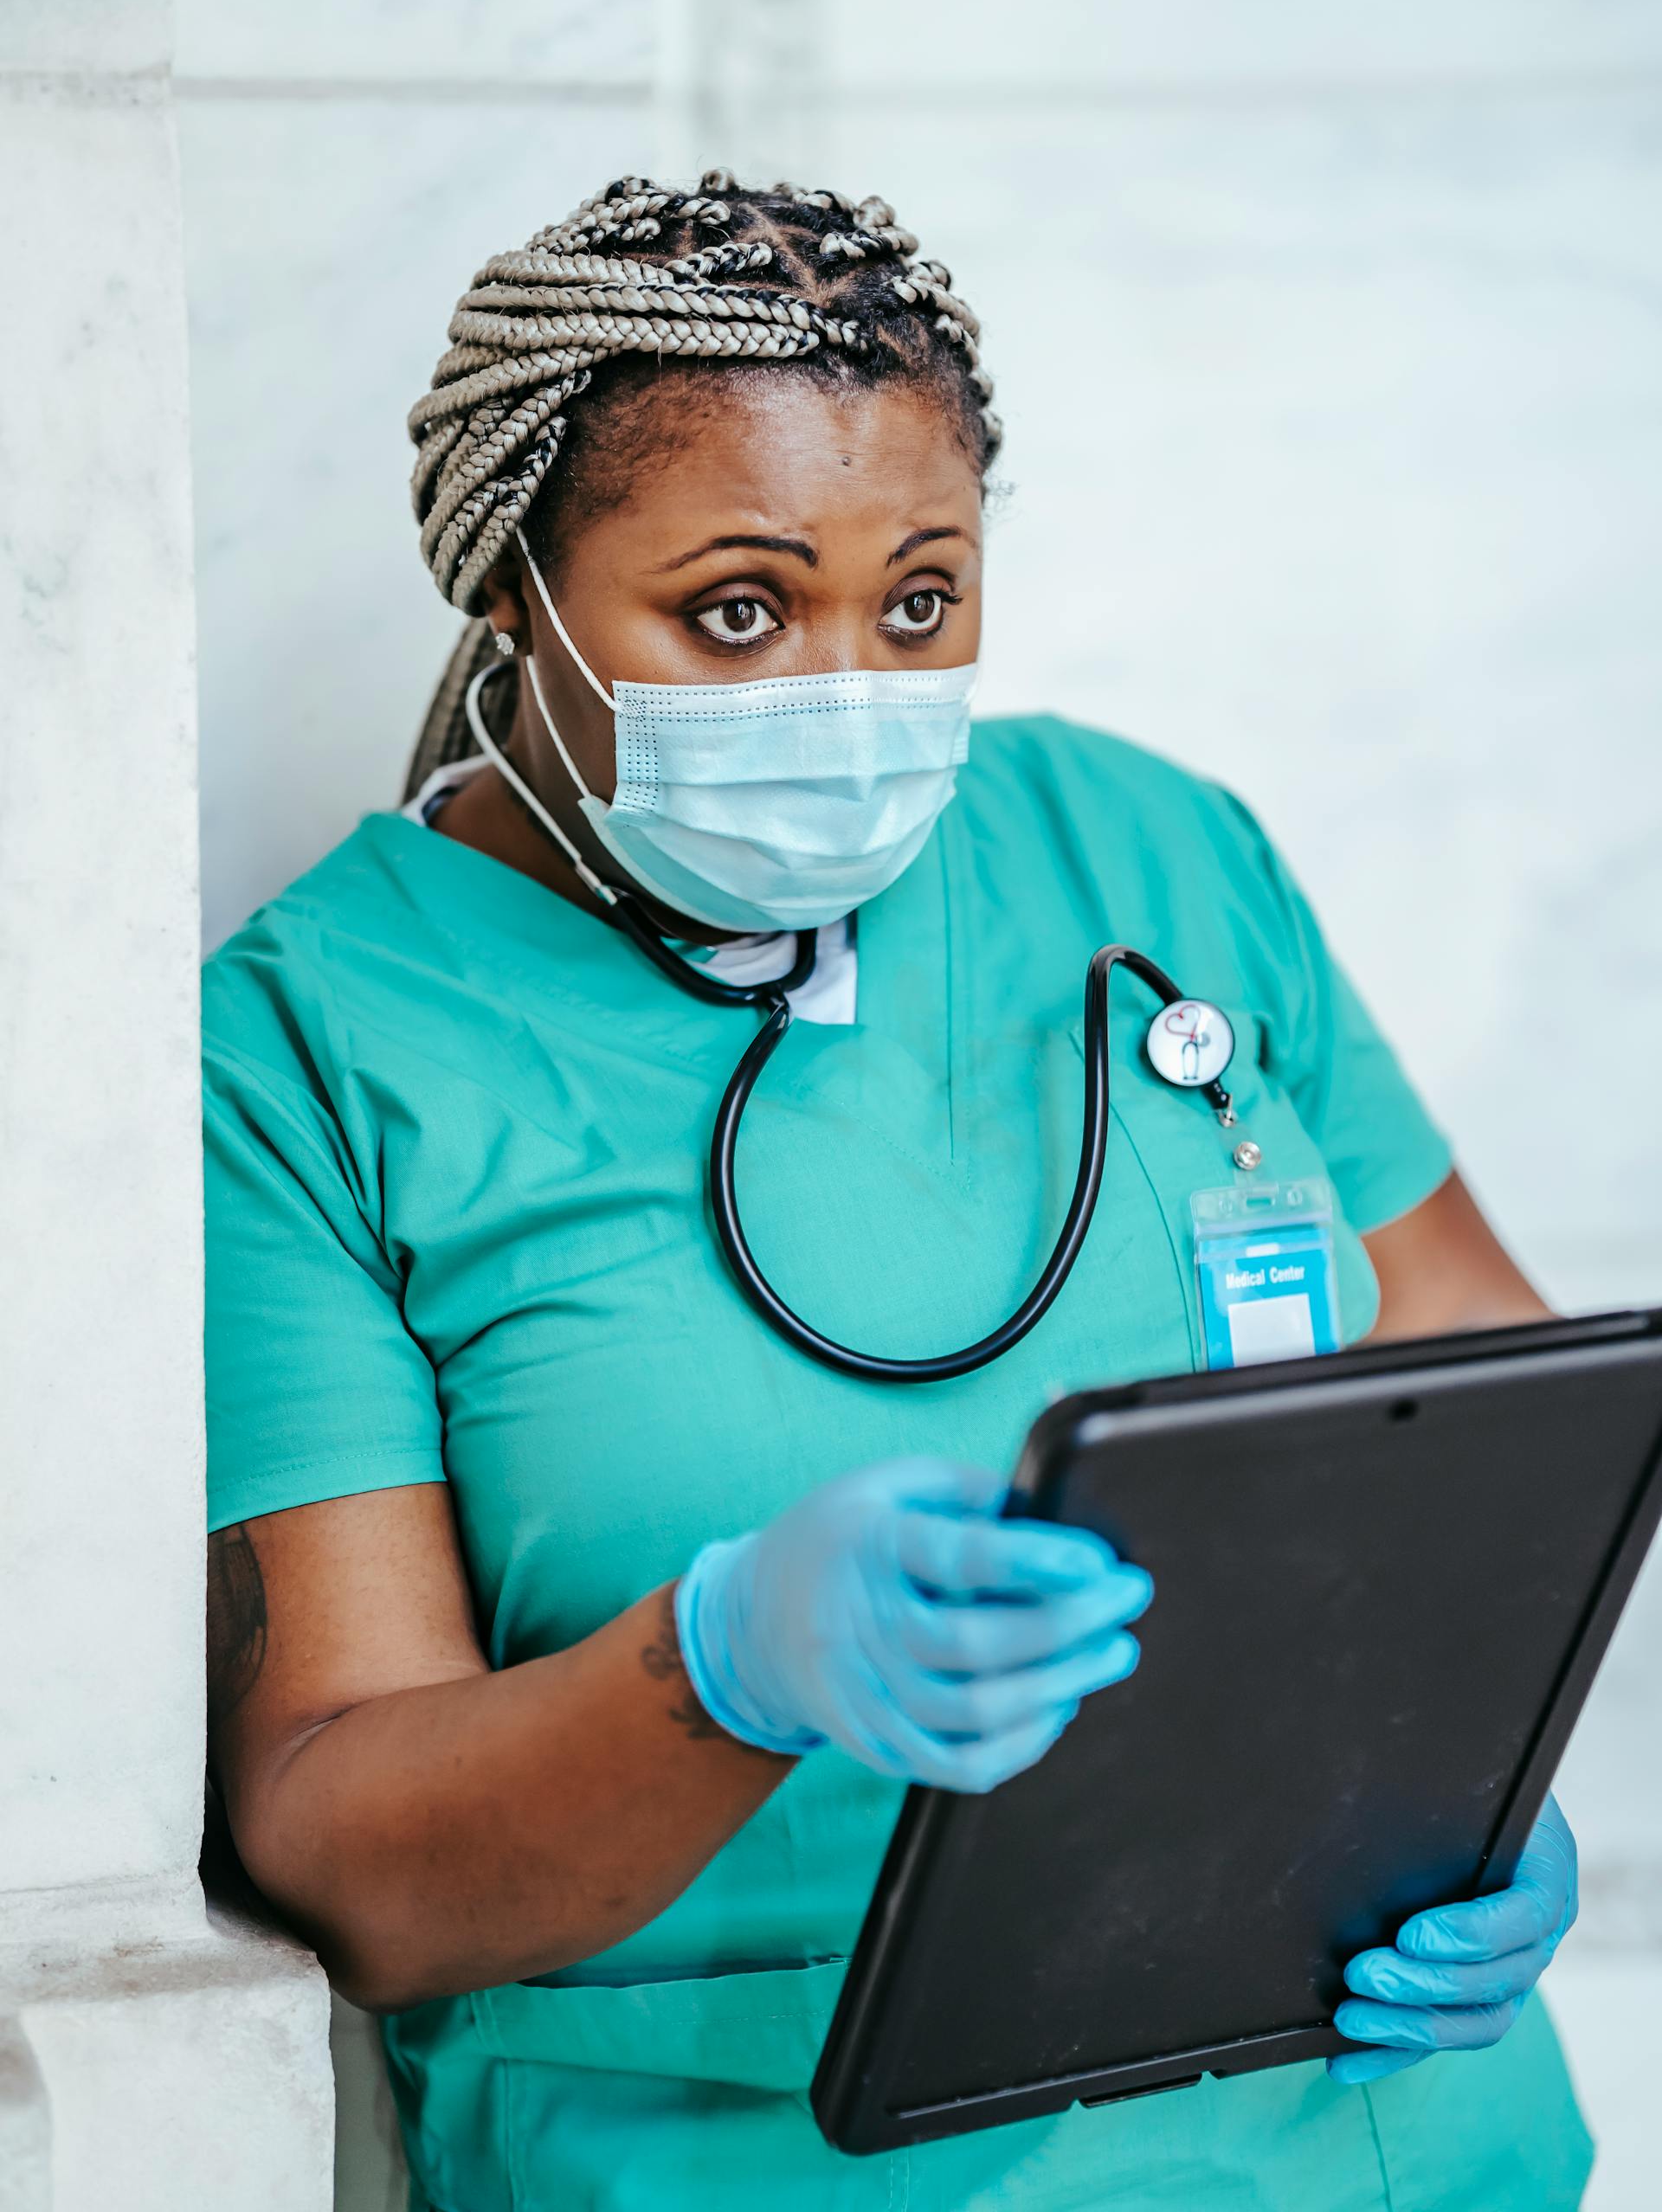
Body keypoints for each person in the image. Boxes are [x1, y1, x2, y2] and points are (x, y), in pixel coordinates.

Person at [203, 174, 1589, 2211]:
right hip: (758, 2152)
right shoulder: (317, 1041)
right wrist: (722, 1663)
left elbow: (1487, 1383)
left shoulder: (1146, 848)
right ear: (514, 587)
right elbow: (353, 1855)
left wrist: (1487, 1761)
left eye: (919, 599)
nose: (851, 692)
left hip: (1373, 2130)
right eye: (740, 609)